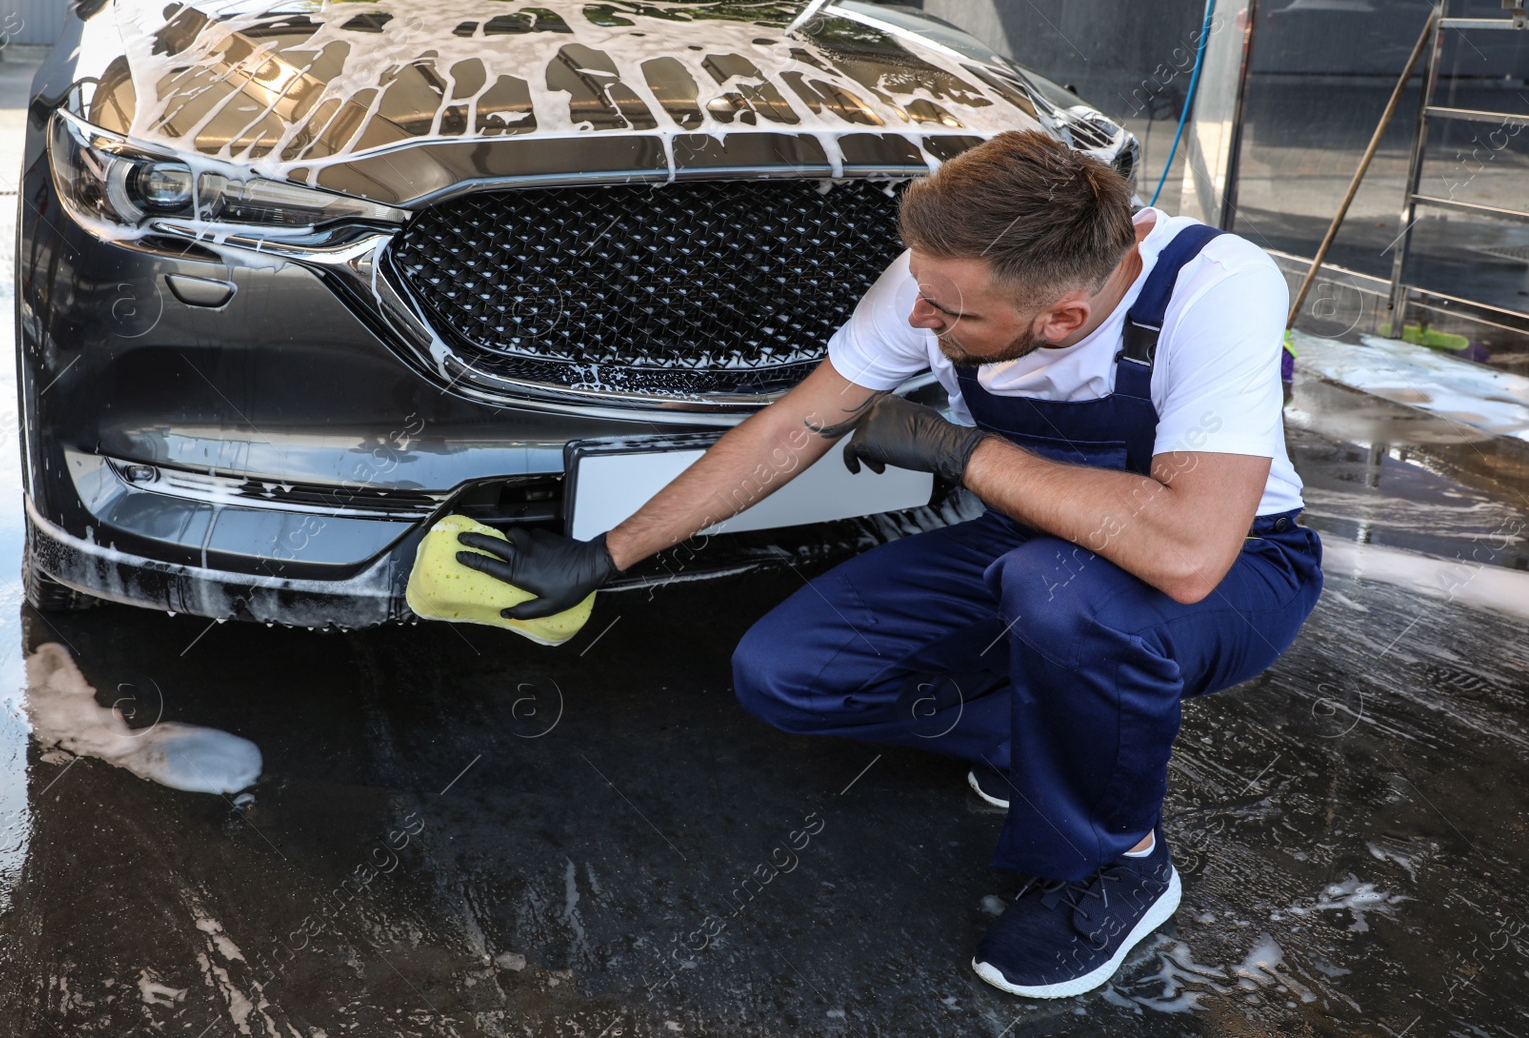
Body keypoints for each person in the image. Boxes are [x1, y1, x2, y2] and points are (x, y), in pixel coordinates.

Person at [452, 129, 1323, 999]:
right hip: (1029, 545)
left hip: (1239, 569)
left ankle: (1120, 861)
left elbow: (1188, 551)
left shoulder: (1215, 286)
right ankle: (1058, 740)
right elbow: (797, 425)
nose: (919, 319)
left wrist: (957, 449)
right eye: (923, 291)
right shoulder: (941, 277)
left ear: (1059, 317)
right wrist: (606, 554)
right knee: (785, 672)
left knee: (1059, 598)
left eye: (950, 315)